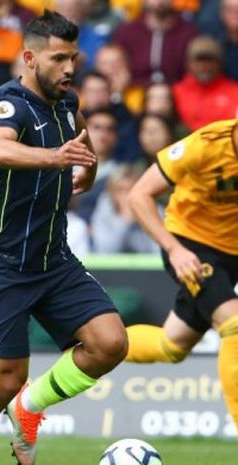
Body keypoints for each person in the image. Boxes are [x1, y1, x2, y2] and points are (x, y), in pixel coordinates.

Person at [0, 11, 128, 465]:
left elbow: (81, 133)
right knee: (3, 379)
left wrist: (89, 163)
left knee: (110, 343)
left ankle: (28, 408)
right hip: (5, 261)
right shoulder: (8, 102)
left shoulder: (67, 102)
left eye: (74, 58)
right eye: (59, 58)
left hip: (55, 259)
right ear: (29, 57)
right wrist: (56, 157)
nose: (69, 68)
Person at [125, 118, 238, 433]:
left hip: (232, 252)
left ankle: (91, 344)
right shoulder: (204, 146)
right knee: (234, 324)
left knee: (172, 345)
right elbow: (139, 195)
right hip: (189, 246)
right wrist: (174, 250)